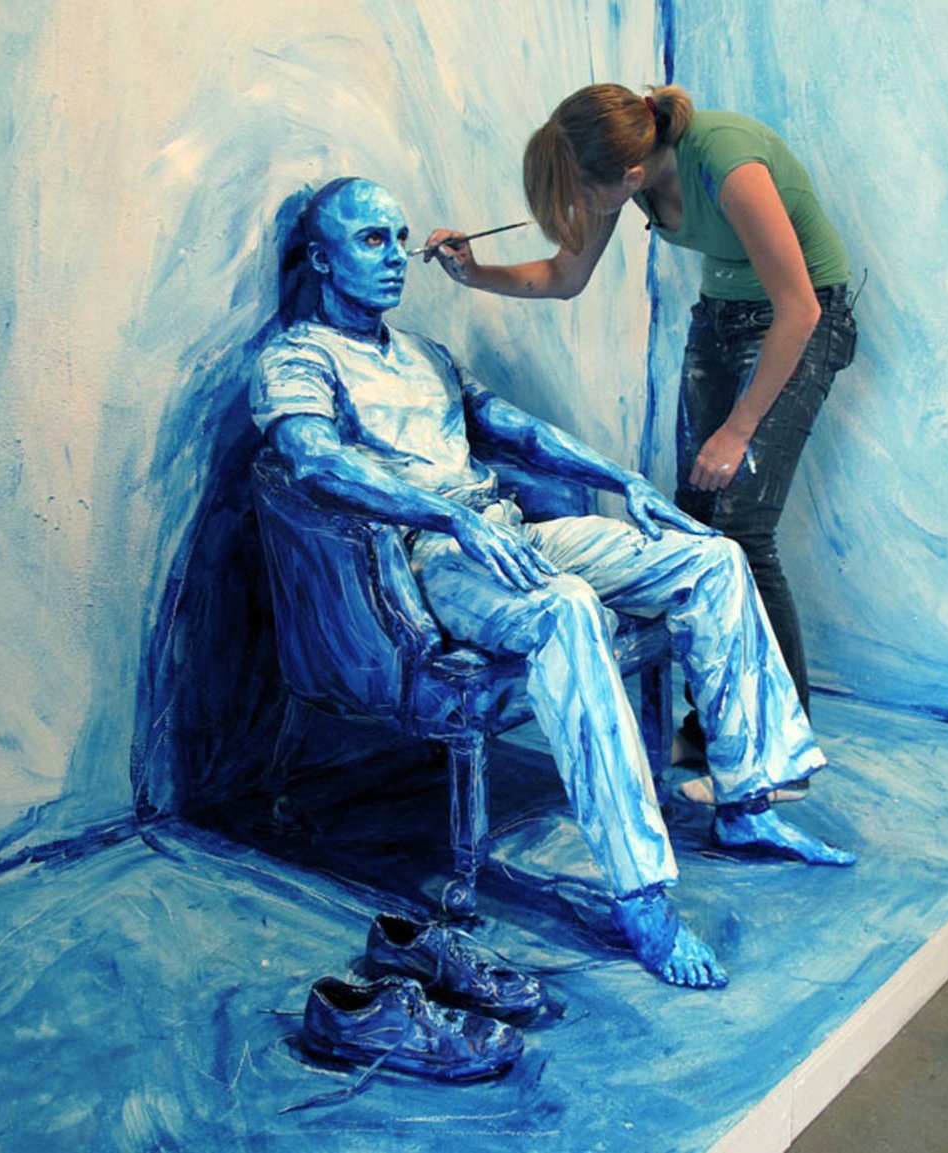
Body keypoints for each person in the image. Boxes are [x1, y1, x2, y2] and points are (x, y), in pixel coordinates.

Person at [251, 177, 856, 992]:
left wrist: (623, 481)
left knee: (710, 557)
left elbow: (514, 429)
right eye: (370, 240)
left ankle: (747, 803)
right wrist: (448, 515)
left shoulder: (425, 355)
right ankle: (641, 896)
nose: (395, 255)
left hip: (505, 528)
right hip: (426, 558)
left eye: (398, 237)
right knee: (566, 608)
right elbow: (312, 460)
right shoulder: (297, 357)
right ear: (322, 259)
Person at [423, 83, 858, 779]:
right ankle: (714, 728)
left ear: (629, 176)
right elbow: (564, 276)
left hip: (800, 322)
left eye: (581, 194)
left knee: (742, 530)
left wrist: (738, 430)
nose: (576, 207)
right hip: (721, 319)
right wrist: (473, 274)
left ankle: (779, 751)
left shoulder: (727, 161)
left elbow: (799, 308)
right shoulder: (625, 170)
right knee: (695, 527)